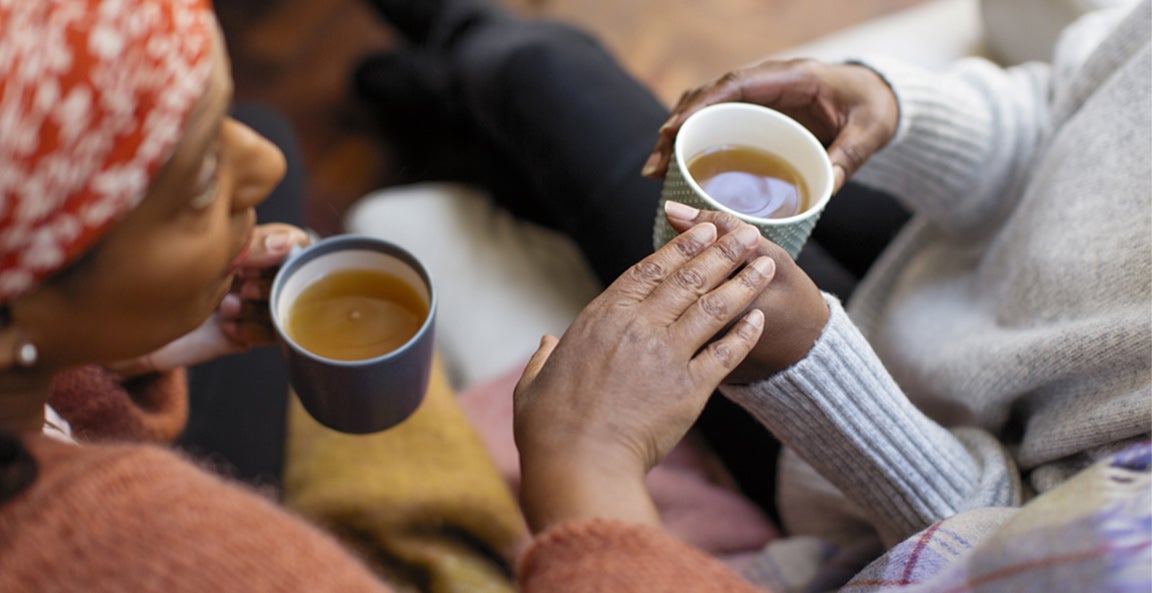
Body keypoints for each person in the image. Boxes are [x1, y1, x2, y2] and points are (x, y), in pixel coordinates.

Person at [347, 0, 1152, 590]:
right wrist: (899, 109)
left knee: (543, 76)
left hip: (870, 438)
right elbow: (1059, 111)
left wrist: (807, 363)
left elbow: (986, 553)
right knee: (543, 88)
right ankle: (449, 95)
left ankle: (447, 81)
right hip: (942, 251)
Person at [0, 1, 785, 591]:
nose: (267, 163)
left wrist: (113, 354)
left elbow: (45, 401)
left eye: (222, 118)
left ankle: (424, 89)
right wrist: (591, 475)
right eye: (201, 176)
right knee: (535, 68)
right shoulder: (181, 554)